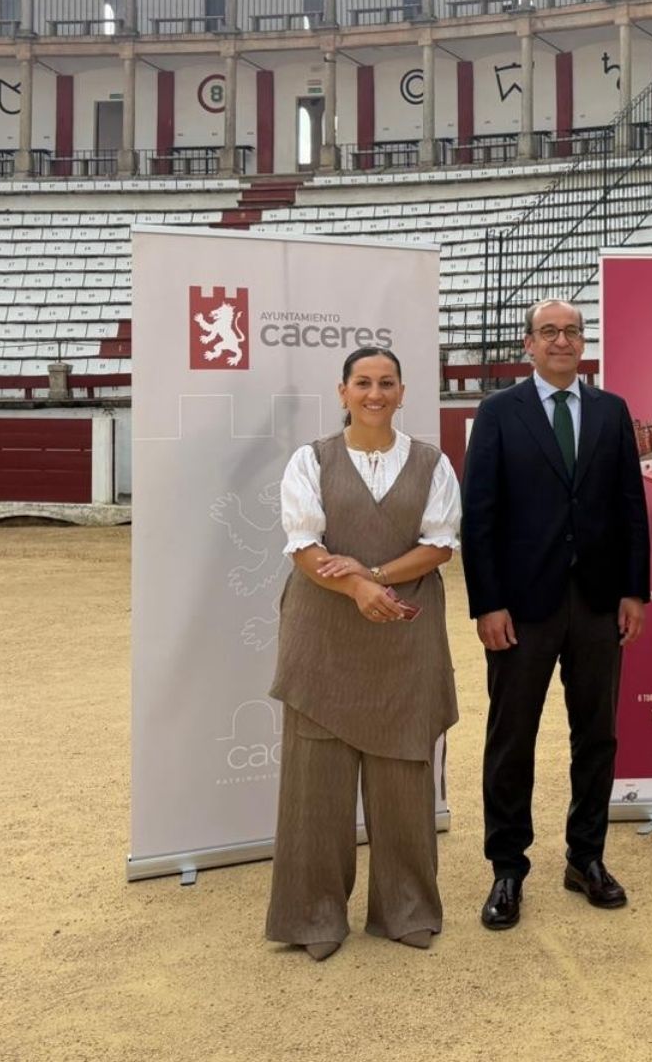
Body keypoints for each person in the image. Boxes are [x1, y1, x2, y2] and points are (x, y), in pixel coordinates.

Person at [265, 346, 461, 960]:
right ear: (343, 390)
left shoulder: (433, 463)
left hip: (405, 638)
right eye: (363, 383)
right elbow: (304, 545)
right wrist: (354, 588)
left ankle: (406, 909)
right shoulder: (309, 460)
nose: (375, 393)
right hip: (322, 636)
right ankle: (311, 916)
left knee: (404, 776)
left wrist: (373, 574)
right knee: (314, 786)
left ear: (403, 393)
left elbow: (438, 546)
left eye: (387, 383)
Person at [462, 298, 651, 930]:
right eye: (550, 332)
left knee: (596, 735)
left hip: (599, 602)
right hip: (521, 608)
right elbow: (479, 515)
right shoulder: (496, 414)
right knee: (512, 737)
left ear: (582, 342)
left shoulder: (611, 410)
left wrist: (634, 590)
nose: (562, 341)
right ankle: (507, 869)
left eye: (572, 332)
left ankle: (586, 859)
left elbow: (631, 507)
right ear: (529, 344)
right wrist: (486, 602)